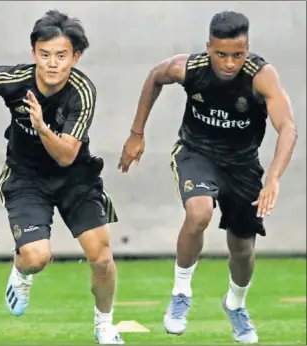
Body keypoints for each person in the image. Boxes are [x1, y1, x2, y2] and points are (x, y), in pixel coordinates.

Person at [0, 9, 124, 345]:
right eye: (45, 54)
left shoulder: (82, 93)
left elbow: (66, 154)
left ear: (75, 57)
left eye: (61, 56)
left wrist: (40, 127)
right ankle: (22, 272)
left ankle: (104, 325)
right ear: (34, 53)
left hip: (75, 179)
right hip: (26, 178)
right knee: (37, 258)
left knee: (102, 257)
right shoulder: (16, 80)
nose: (52, 64)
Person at [118, 10, 297, 344]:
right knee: (199, 212)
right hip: (196, 153)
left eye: (238, 55)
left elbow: (288, 127)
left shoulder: (261, 77)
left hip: (243, 166)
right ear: (208, 48)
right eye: (221, 54)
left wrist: (273, 178)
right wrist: (136, 133)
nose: (229, 63)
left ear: (248, 49)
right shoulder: (189, 68)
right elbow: (155, 76)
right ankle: (181, 293)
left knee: (242, 248)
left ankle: (236, 304)